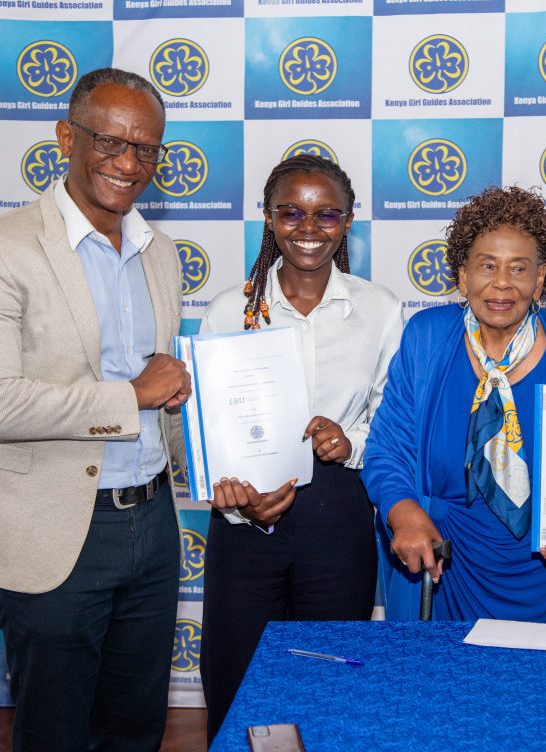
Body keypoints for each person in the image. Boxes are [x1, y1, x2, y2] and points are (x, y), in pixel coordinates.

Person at [0, 68, 191, 751]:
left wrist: (219, 455)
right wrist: (133, 394)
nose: (128, 163)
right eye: (109, 141)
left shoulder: (161, 253)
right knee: (54, 731)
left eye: (146, 149)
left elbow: (165, 393)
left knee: (135, 727)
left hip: (152, 523)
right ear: (66, 137)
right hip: (52, 527)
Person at [199, 154, 403, 743]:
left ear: (348, 221)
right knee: (236, 680)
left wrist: (349, 441)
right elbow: (205, 428)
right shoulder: (228, 310)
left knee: (328, 682)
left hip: (338, 516)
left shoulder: (379, 309)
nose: (308, 227)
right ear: (268, 217)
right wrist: (236, 500)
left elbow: (394, 420)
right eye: (290, 212)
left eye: (326, 214)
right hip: (244, 517)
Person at [362, 185, 546, 623]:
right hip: (442, 569)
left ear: (540, 279)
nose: (502, 282)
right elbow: (387, 450)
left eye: (519, 268)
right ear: (462, 277)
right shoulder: (426, 339)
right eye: (487, 266)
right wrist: (403, 512)